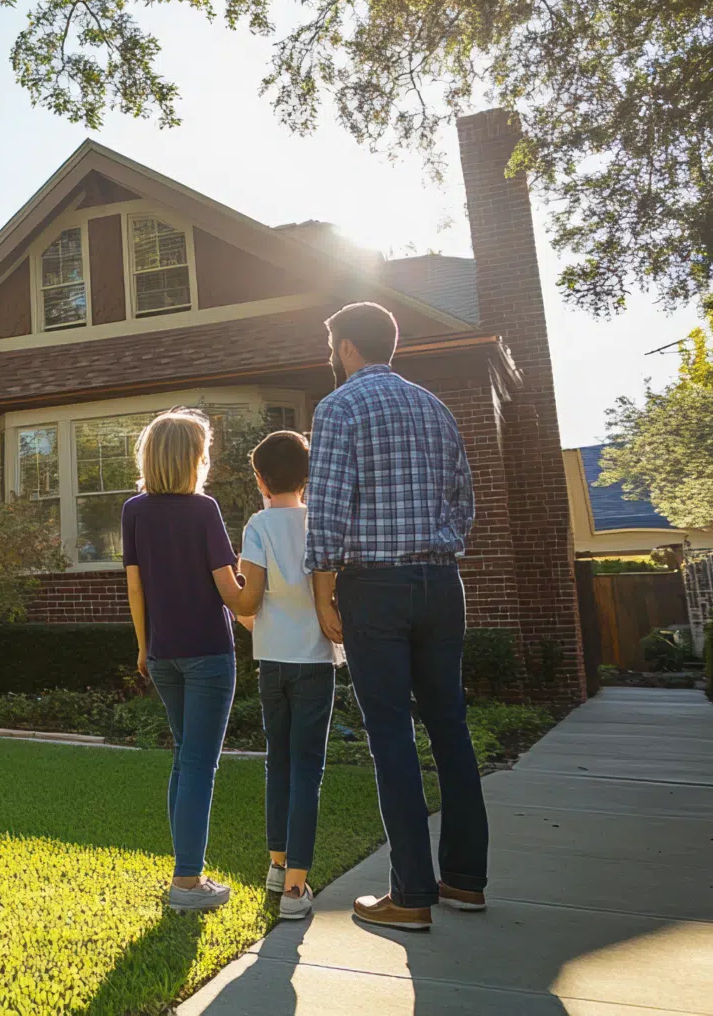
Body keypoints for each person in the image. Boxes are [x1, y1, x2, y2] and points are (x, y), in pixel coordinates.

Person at [306, 301, 487, 932]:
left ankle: (410, 894)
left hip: (375, 587)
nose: (331, 356)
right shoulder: (434, 406)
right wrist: (441, 547)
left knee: (390, 734)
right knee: (450, 727)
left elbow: (326, 507)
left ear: (349, 348)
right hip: (442, 582)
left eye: (333, 345)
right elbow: (465, 496)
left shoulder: (338, 407)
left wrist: (324, 592)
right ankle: (464, 880)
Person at [123, 409, 251, 913]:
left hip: (162, 654)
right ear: (192, 460)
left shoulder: (134, 510)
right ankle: (187, 882)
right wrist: (263, 590)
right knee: (199, 763)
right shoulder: (204, 511)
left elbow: (134, 585)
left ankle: (185, 871)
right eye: (204, 453)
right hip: (208, 655)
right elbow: (231, 591)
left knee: (184, 757)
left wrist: (142, 645)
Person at [228, 429, 335, 922]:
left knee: (279, 761)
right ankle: (295, 890)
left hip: (270, 660)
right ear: (308, 477)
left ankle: (276, 865)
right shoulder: (321, 522)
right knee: (307, 770)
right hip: (314, 659)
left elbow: (248, 601)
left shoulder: (258, 525)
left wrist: (230, 600)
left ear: (260, 479)